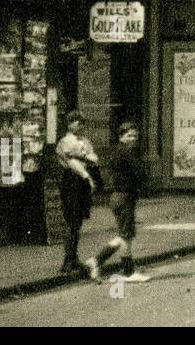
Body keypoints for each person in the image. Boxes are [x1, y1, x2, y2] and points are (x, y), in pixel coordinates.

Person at [86, 122, 149, 283]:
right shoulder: (127, 152)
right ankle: (118, 268)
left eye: (135, 135)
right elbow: (140, 172)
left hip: (118, 196)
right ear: (121, 136)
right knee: (126, 235)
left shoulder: (117, 151)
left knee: (125, 234)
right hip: (124, 196)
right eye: (129, 135)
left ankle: (108, 264)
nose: (133, 139)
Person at [56, 111, 99, 275]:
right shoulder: (64, 141)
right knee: (71, 221)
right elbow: (71, 161)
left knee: (78, 221)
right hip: (72, 181)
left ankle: (74, 258)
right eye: (75, 122)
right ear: (68, 124)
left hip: (82, 183)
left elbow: (94, 158)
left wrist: (83, 156)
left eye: (81, 122)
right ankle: (68, 260)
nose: (79, 125)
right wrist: (85, 162)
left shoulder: (85, 140)